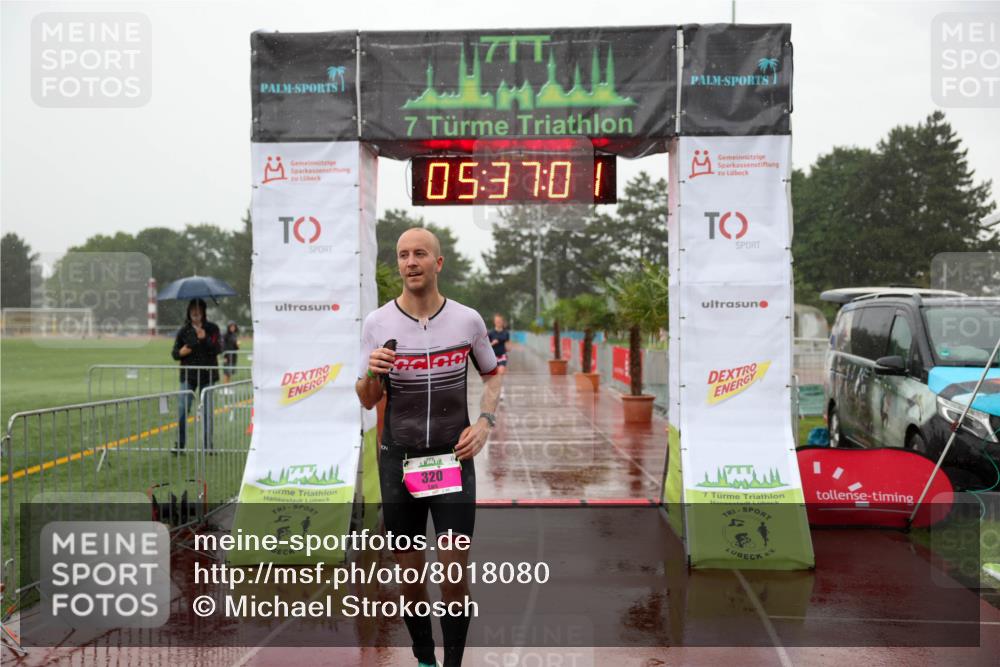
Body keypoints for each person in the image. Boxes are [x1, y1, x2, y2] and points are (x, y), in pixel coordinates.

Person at [356, 227, 502, 667]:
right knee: (411, 578)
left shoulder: (467, 320)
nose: (410, 262)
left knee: (454, 575)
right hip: (399, 462)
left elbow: (493, 374)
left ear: (438, 263)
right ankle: (424, 659)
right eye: (402, 255)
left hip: (452, 460)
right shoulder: (377, 324)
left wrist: (484, 422)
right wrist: (372, 372)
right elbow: (367, 399)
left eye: (420, 254)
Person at [171, 298, 222, 451]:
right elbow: (174, 353)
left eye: (199, 309)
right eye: (193, 309)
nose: (196, 312)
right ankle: (180, 445)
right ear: (189, 311)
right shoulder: (183, 331)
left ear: (203, 312)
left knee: (207, 412)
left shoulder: (213, 329)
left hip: (208, 375)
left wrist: (204, 338)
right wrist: (181, 352)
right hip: (188, 376)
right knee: (182, 409)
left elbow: (218, 348)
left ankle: (208, 446)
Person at [488, 313, 509, 400]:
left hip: (502, 355)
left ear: (502, 322)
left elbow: (506, 341)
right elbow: (487, 345)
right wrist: (493, 343)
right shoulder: (491, 333)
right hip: (493, 357)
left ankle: (502, 392)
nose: (498, 322)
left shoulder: (505, 333)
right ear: (494, 322)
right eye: (496, 321)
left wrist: (508, 347)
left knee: (501, 372)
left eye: (499, 321)